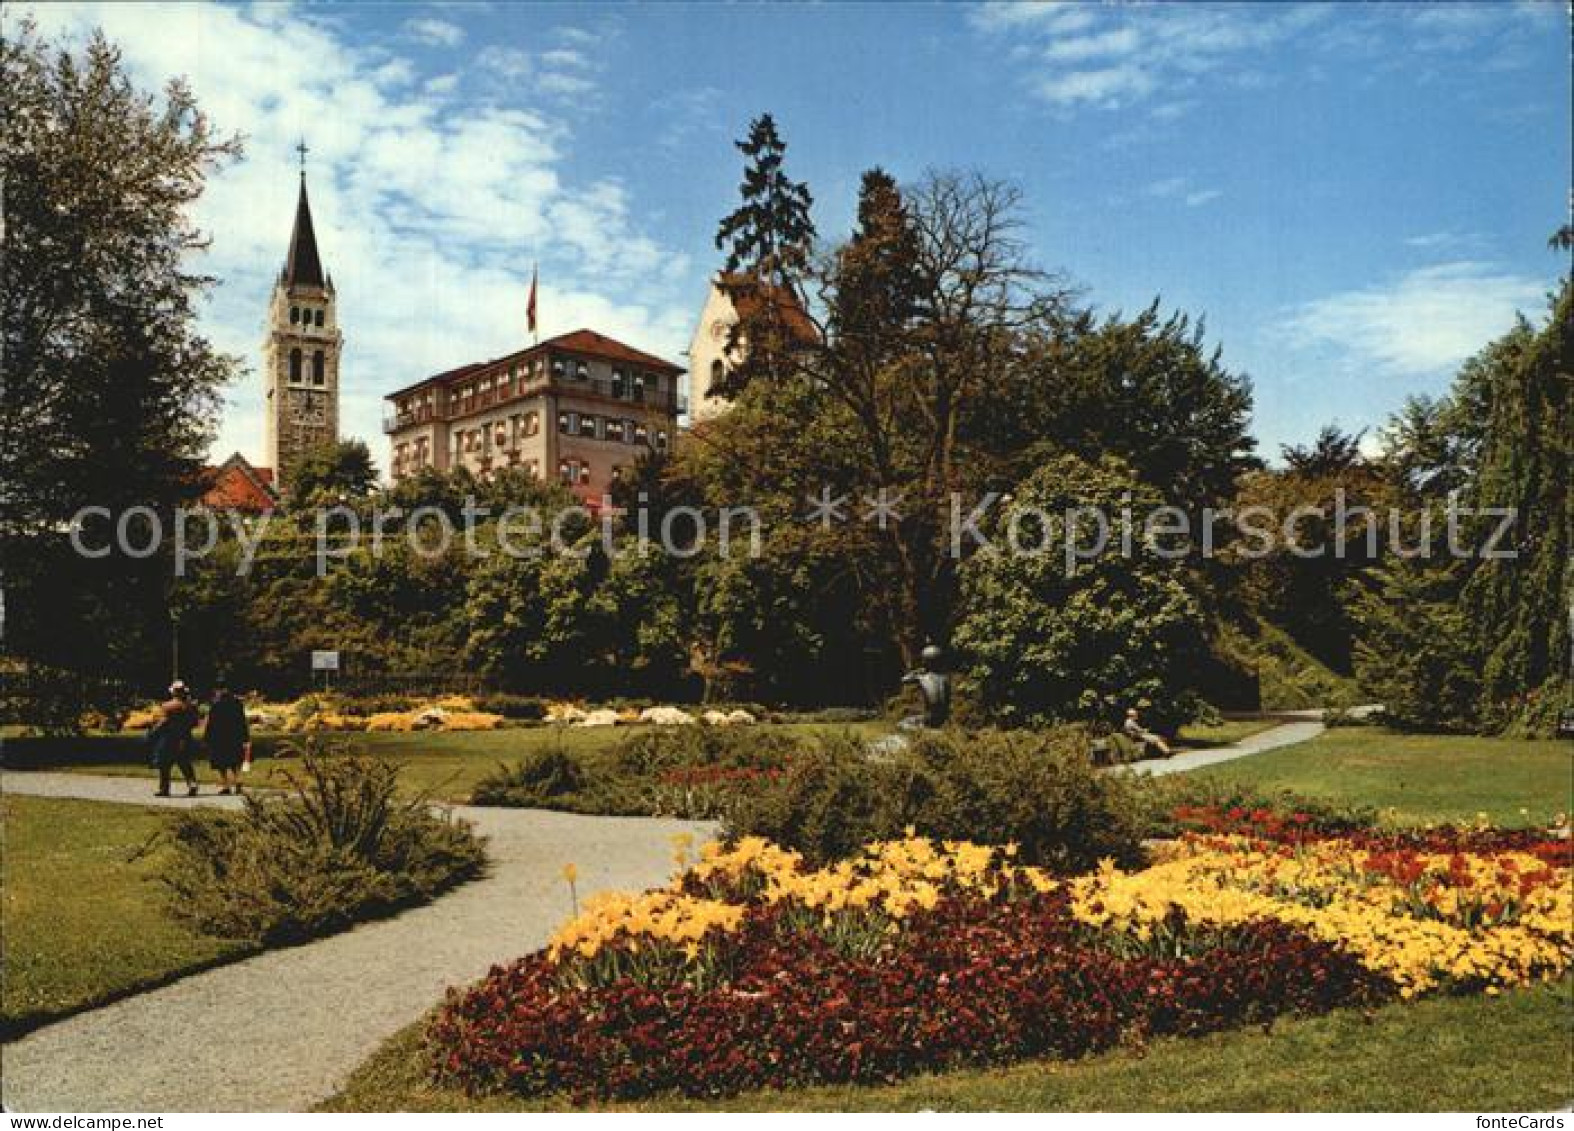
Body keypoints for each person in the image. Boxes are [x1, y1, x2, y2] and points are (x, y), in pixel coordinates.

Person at [153, 681, 202, 797]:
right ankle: (192, 784)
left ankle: (164, 788)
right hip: (185, 736)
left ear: (174, 692)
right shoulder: (190, 706)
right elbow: (195, 722)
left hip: (169, 737)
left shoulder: (167, 706)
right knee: (184, 762)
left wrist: (154, 730)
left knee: (164, 763)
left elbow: (163, 722)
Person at [203, 679, 250, 796]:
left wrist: (206, 737)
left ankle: (226, 785)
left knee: (221, 762)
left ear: (219, 690)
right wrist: (245, 737)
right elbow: (242, 721)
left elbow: (211, 723)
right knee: (235, 760)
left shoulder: (216, 704)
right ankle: (238, 779)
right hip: (235, 736)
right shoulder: (237, 703)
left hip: (219, 737)